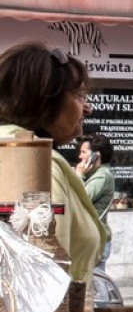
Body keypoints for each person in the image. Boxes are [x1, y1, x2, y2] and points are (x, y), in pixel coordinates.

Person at [0, 42, 106, 294]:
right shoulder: (37, 164)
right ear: (44, 99)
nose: (86, 108)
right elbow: (48, 263)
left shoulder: (13, 149)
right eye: (79, 95)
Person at [75, 133, 115, 269]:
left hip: (97, 241)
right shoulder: (93, 175)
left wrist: (79, 175)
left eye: (83, 152)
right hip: (91, 239)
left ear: (96, 155)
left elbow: (81, 198)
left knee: (95, 286)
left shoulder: (102, 176)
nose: (80, 157)